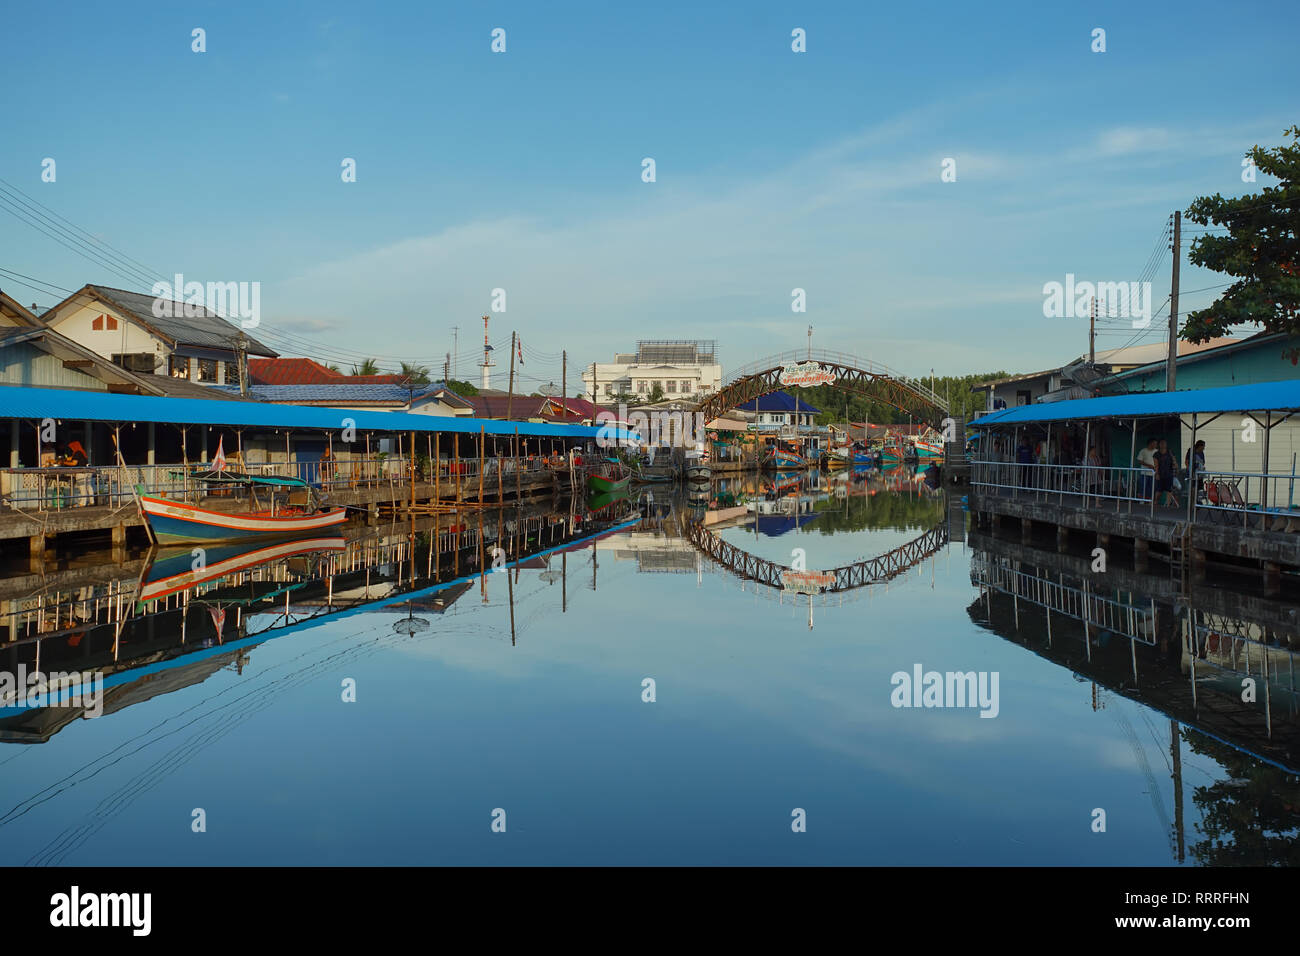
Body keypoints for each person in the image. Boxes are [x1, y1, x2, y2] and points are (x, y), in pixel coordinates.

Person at [1155, 439, 1180, 507]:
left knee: (1169, 490)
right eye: (1161, 443)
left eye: (1164, 443)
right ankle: (1155, 502)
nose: (1163, 445)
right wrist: (1157, 474)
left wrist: (1176, 467)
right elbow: (1156, 464)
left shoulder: (1170, 452)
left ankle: (1168, 505)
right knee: (1159, 491)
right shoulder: (1156, 454)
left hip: (1169, 474)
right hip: (1160, 474)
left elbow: (1174, 461)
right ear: (1159, 445)